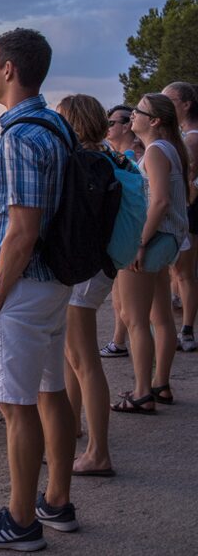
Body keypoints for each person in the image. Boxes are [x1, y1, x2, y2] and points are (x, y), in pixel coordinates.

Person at [0, 28, 77, 551]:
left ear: (9, 69)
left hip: (22, 289)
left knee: (15, 407)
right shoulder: (55, 126)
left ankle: (21, 521)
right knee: (51, 391)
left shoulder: (21, 137)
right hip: (53, 284)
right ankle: (57, 502)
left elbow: (23, 229)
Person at [56, 95, 123, 477]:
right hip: (99, 267)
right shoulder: (109, 158)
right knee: (73, 357)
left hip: (82, 272)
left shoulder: (79, 162)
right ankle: (74, 426)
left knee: (84, 361)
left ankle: (98, 453)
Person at [113, 92, 188, 413]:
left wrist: (138, 243)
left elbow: (159, 201)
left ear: (154, 121)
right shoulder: (169, 148)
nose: (132, 116)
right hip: (168, 240)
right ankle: (161, 384)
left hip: (151, 241)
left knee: (135, 319)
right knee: (159, 315)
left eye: (138, 112)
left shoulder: (156, 151)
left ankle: (142, 391)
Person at [99, 105, 137, 358]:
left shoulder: (132, 159)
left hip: (129, 239)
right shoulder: (117, 155)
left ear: (126, 126)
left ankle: (145, 382)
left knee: (132, 308)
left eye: (112, 122)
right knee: (120, 300)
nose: (108, 126)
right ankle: (118, 340)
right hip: (124, 240)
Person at [163, 80, 198, 353]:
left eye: (170, 101)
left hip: (190, 210)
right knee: (180, 271)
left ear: (186, 104)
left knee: (184, 272)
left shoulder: (191, 138)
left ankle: (187, 329)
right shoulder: (184, 135)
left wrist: (182, 206)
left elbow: (190, 179)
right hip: (187, 208)